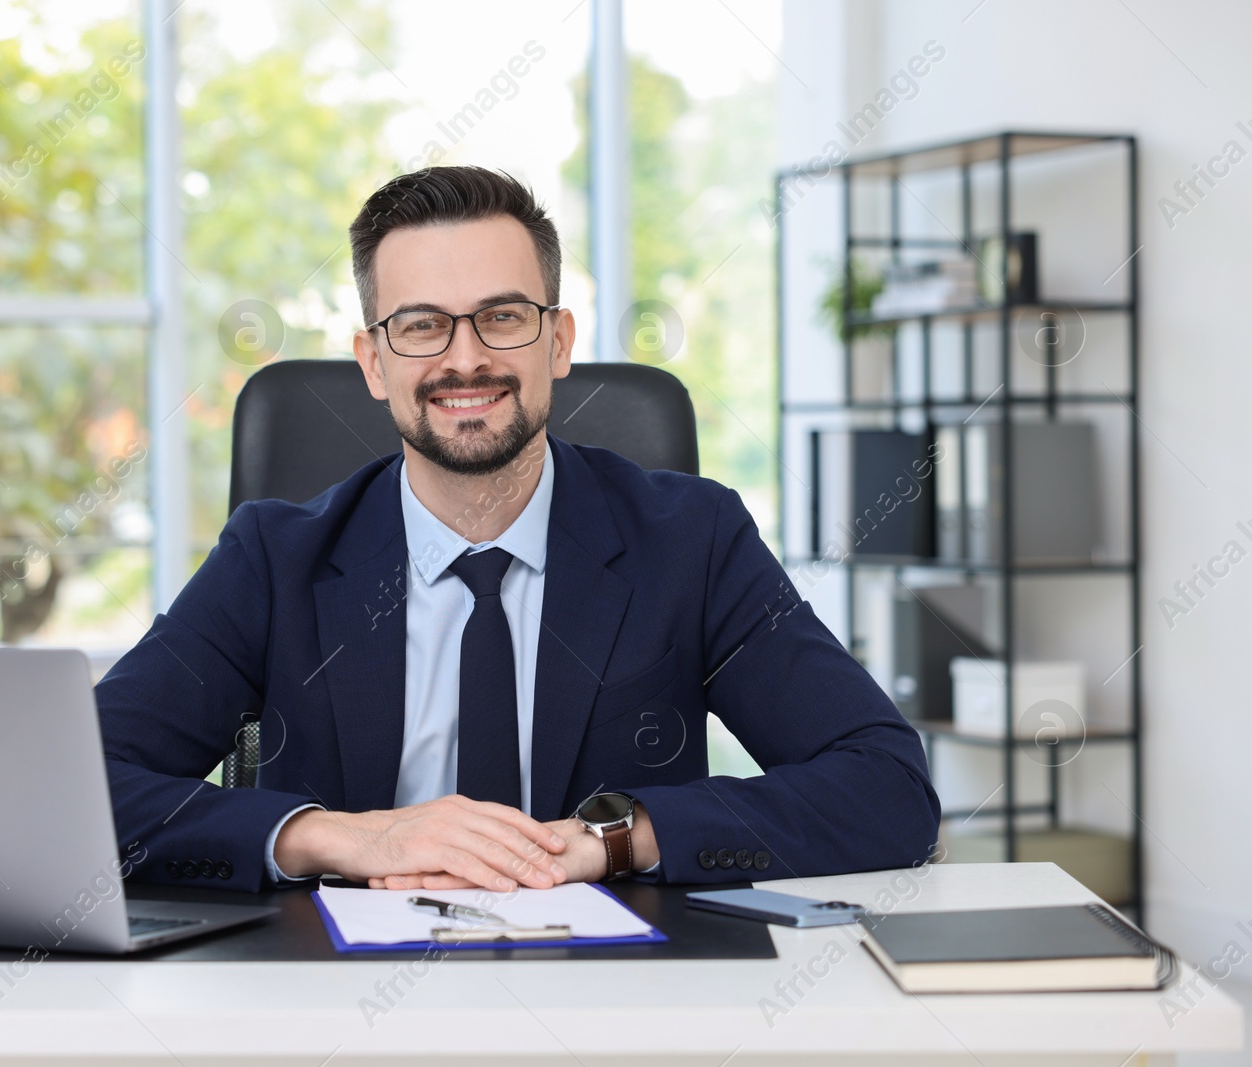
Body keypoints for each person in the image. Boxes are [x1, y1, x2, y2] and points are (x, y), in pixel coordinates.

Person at [96, 165, 939, 894]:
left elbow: (889, 788)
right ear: (374, 362)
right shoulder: (273, 560)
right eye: (422, 324)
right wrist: (339, 836)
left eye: (502, 316)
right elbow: (79, 786)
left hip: (616, 1000)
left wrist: (614, 838)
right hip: (340, 1003)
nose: (465, 359)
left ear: (558, 341)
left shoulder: (693, 540)